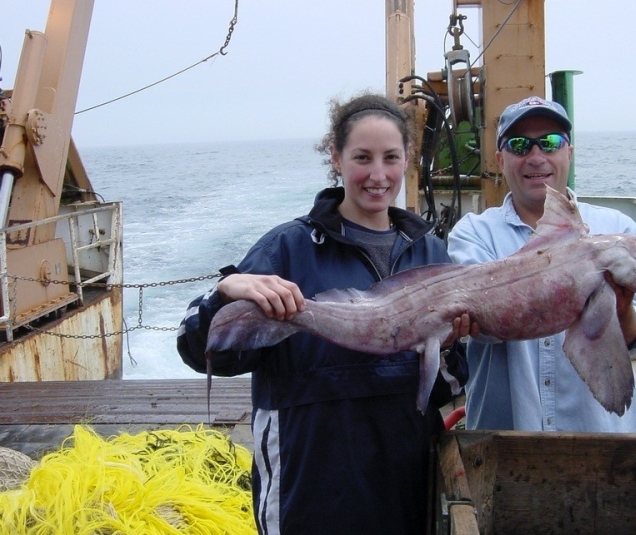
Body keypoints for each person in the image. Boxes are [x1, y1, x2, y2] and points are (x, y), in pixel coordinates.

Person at [177, 93, 470, 534]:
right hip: (307, 486)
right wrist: (223, 294)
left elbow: (447, 387)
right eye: (362, 157)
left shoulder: (431, 254)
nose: (378, 175)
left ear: (408, 159)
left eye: (391, 157)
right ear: (336, 157)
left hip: (403, 485)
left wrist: (446, 348)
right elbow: (201, 352)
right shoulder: (286, 250)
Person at [447, 95, 636, 433]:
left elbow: (635, 338)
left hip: (604, 435)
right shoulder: (473, 233)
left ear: (568, 153)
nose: (536, 156)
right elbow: (487, 327)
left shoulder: (619, 229)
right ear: (500, 160)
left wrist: (621, 309)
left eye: (550, 143)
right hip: (503, 438)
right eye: (519, 145)